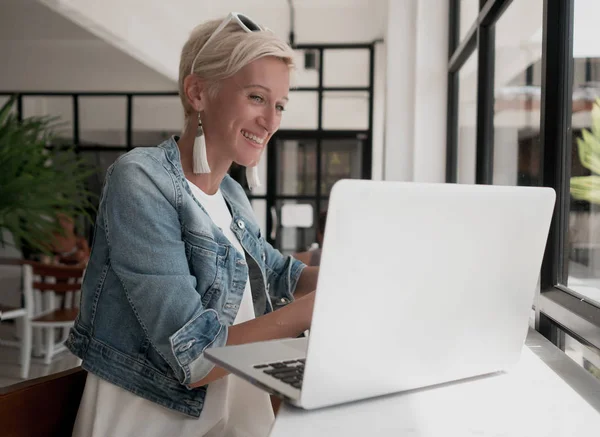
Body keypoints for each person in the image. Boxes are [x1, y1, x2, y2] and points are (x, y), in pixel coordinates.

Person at [66, 13, 319, 437]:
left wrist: (355, 271)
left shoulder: (232, 196)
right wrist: (315, 310)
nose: (271, 121)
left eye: (279, 105)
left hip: (232, 411)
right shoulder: (141, 180)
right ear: (198, 91)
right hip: (151, 419)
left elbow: (282, 275)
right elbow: (194, 355)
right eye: (257, 98)